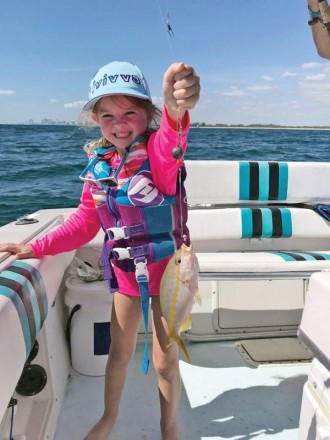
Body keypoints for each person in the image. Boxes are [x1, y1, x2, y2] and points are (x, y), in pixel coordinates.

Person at [0, 60, 200, 440]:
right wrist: (33, 247)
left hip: (171, 273)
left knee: (164, 358)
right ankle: (108, 418)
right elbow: (83, 223)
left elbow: (172, 138)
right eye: (107, 115)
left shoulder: (158, 154)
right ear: (95, 119)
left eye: (130, 112)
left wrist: (178, 109)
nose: (119, 123)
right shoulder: (99, 168)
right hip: (128, 274)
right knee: (118, 354)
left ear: (148, 114)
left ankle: (168, 426)